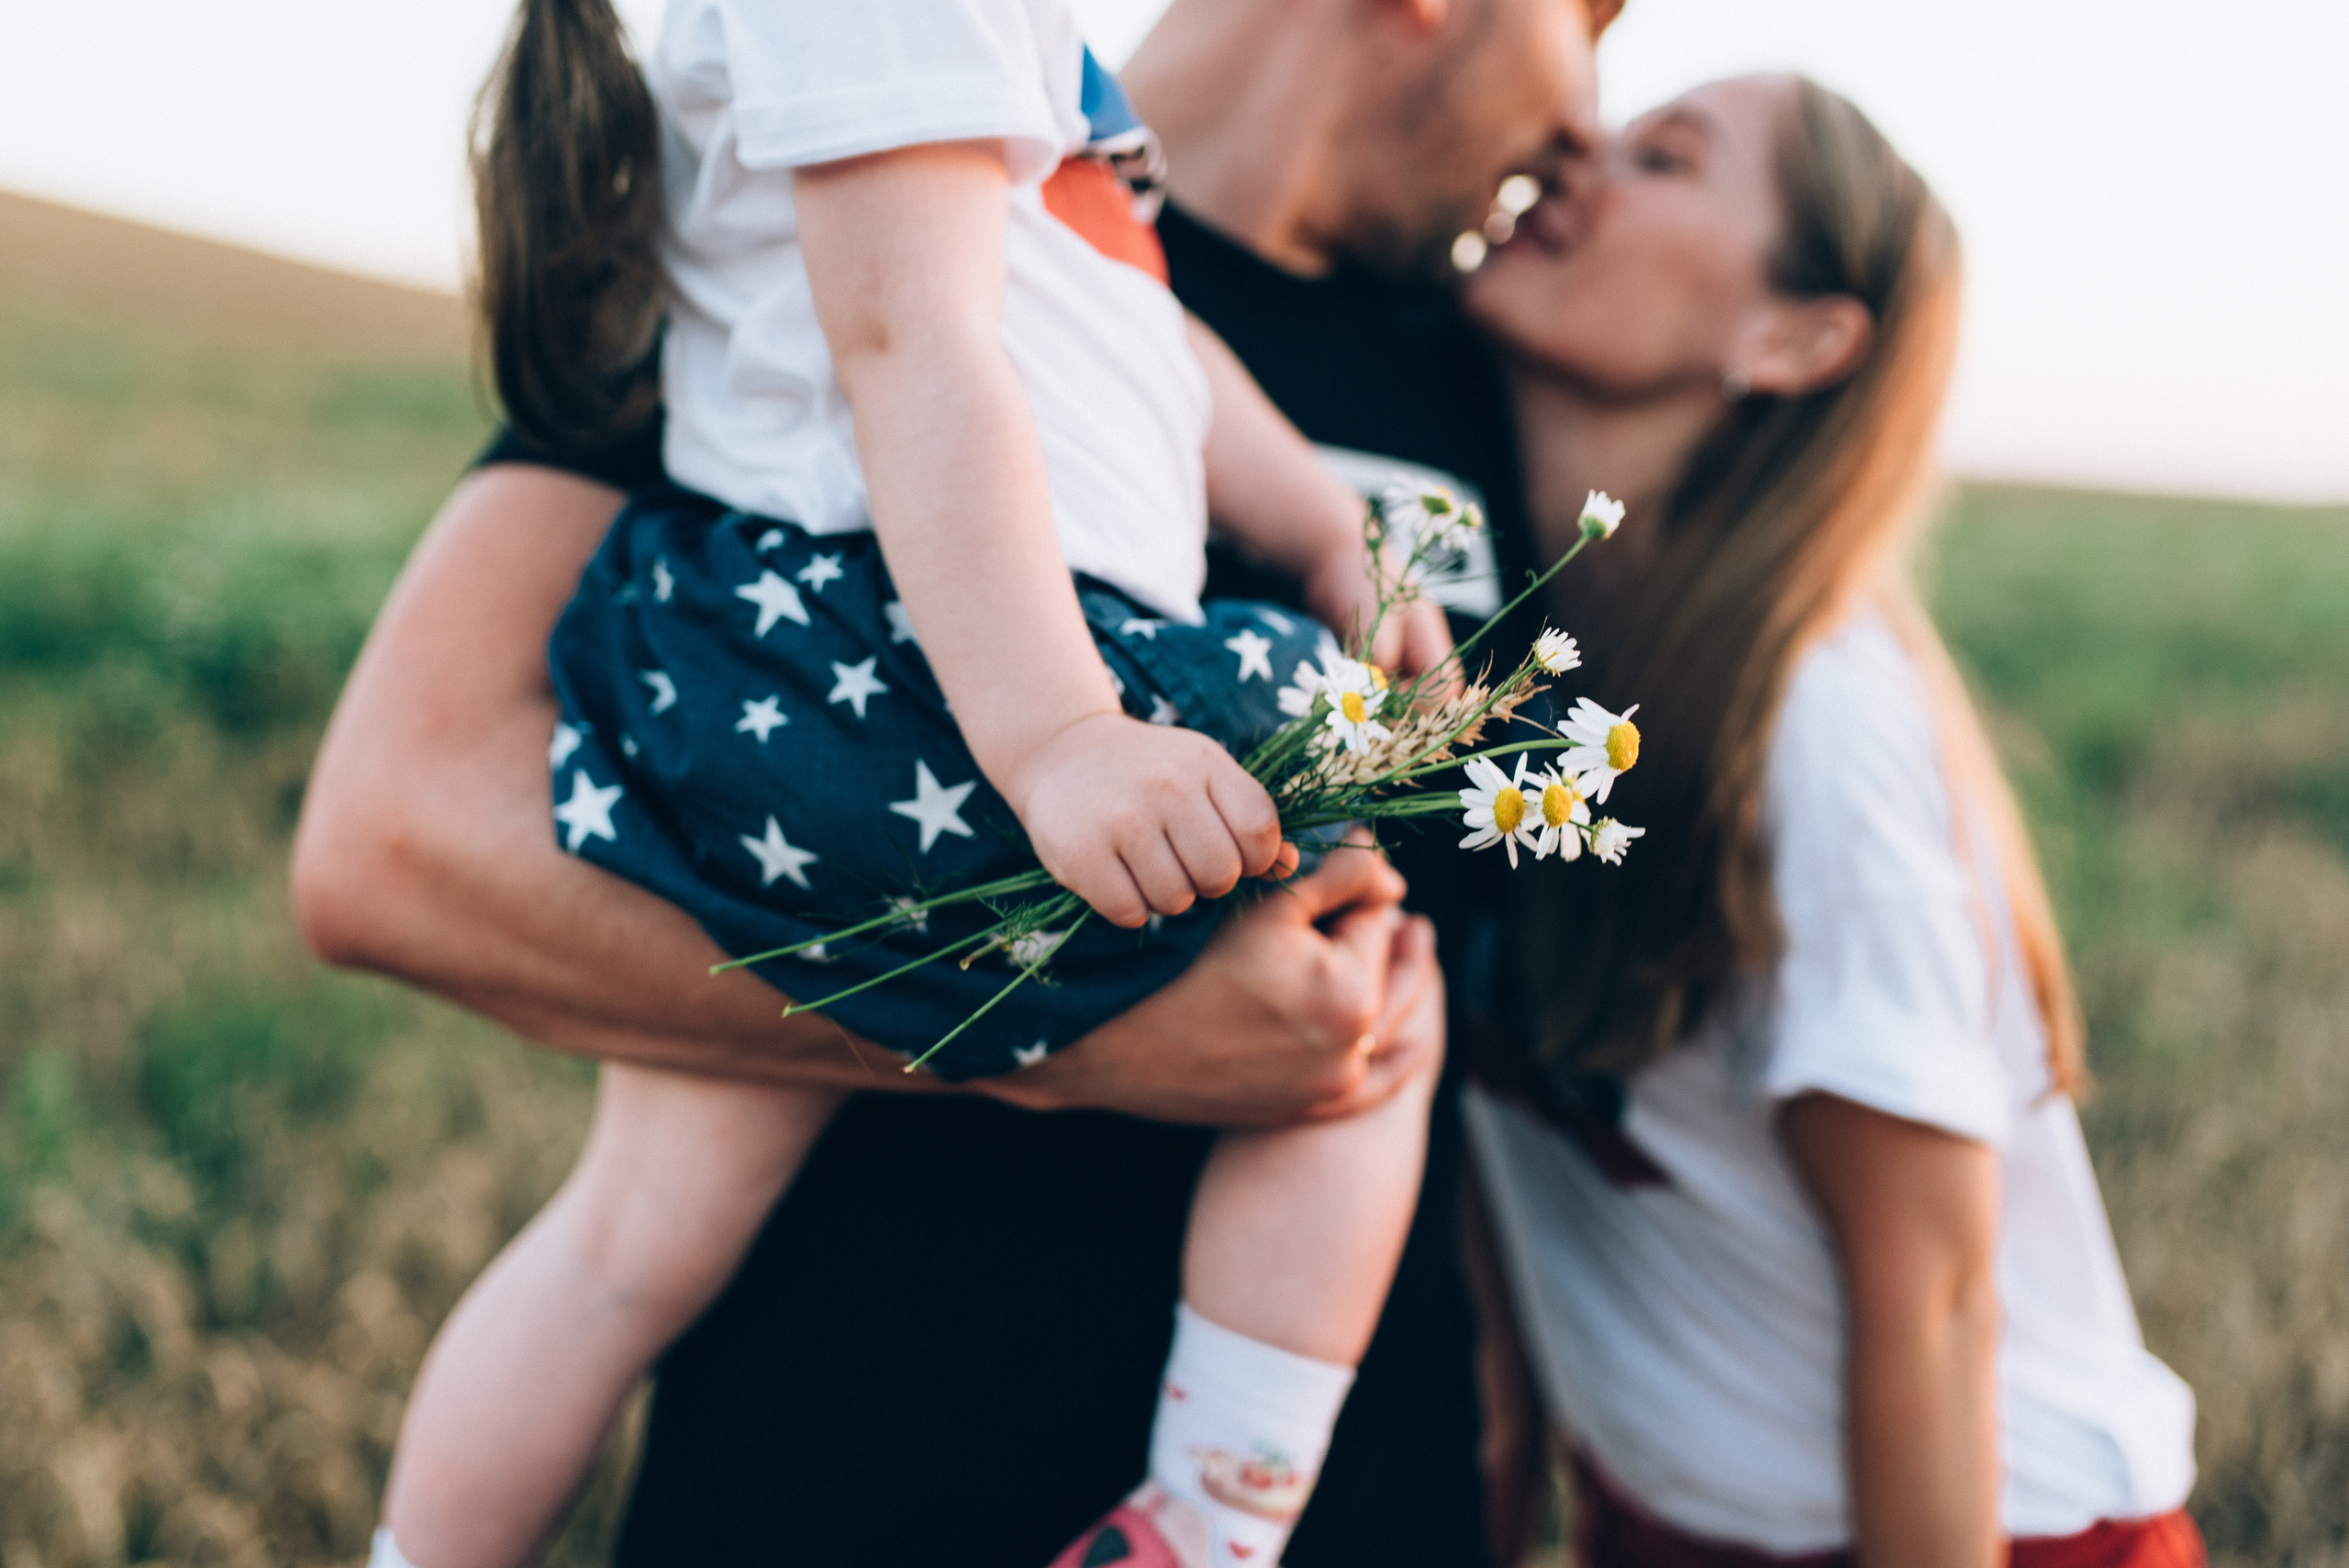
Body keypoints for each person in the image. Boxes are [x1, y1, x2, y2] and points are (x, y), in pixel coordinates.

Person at [292, 1, 1617, 1560]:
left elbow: (1141, 339)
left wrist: (1326, 524)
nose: (1595, 105)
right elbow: (910, 335)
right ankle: (1208, 1512)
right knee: (1356, 918)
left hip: (835, 671)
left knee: (626, 1241)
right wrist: (1062, 750)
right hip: (901, 654)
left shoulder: (1050, 106)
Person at [1455, 76, 2204, 1567]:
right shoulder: (1479, 661)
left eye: (1662, 156)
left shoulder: (1810, 723)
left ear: (1794, 339)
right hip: (1675, 1522)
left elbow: (1931, 1301)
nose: (1575, 158)